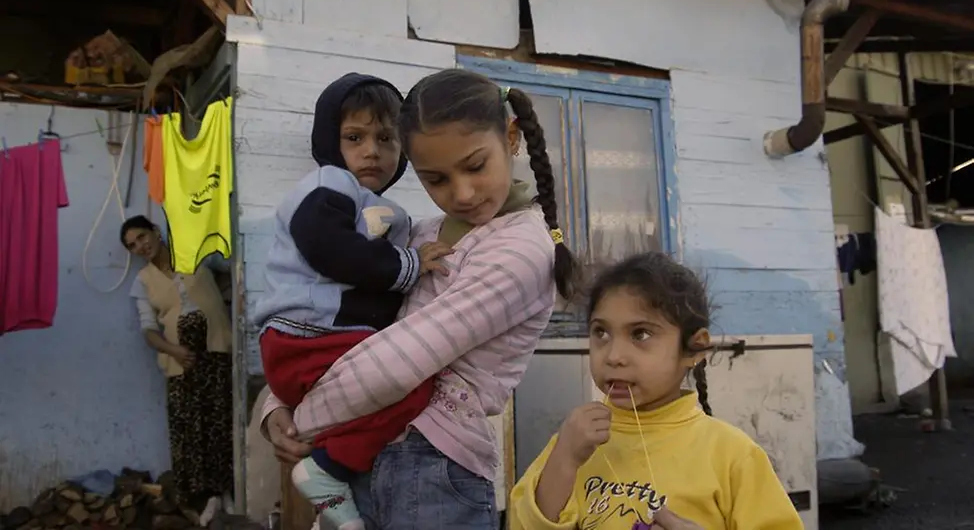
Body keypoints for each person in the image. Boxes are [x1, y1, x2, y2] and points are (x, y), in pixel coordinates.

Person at [261, 68, 580, 529]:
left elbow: (405, 357)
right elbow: (340, 322)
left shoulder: (521, 250)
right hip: (362, 449)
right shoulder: (421, 235)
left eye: (475, 166)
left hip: (432, 464)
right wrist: (277, 404)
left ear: (511, 139)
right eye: (436, 179)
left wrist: (303, 420)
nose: (462, 193)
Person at [253, 73, 453, 530]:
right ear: (329, 140)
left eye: (386, 138)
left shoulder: (392, 214)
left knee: (397, 383)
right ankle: (328, 469)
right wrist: (408, 266)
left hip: (319, 343)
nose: (372, 151)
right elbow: (331, 249)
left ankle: (332, 482)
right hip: (310, 337)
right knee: (411, 382)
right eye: (354, 137)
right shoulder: (327, 185)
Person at [508, 252, 803, 530]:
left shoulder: (732, 455)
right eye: (601, 332)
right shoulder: (574, 442)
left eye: (641, 334)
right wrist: (564, 460)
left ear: (694, 348)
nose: (613, 356)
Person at [121, 215, 234, 519]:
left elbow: (234, 270)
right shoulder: (142, 282)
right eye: (132, 245)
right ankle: (204, 498)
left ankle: (227, 492)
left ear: (156, 232)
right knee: (191, 428)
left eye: (142, 237)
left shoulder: (196, 253)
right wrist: (175, 350)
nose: (140, 246)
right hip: (182, 361)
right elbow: (148, 330)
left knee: (221, 421)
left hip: (216, 351)